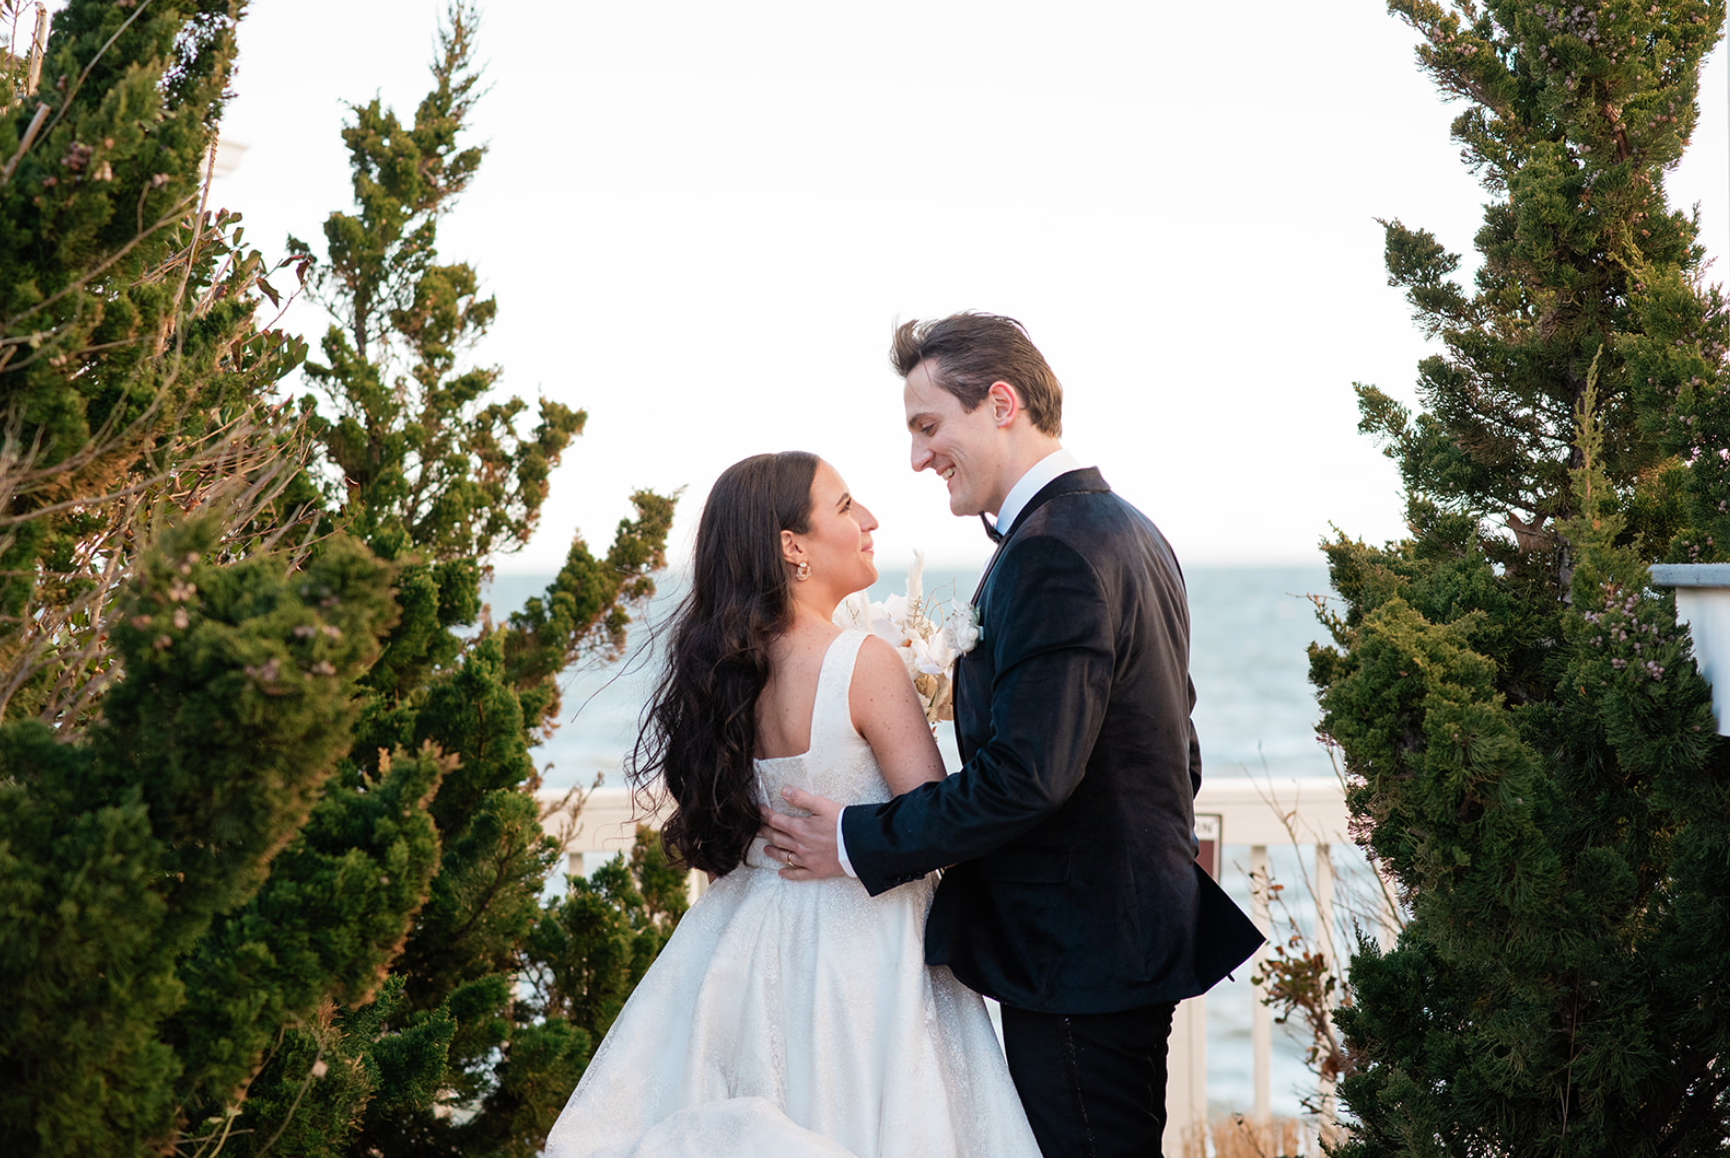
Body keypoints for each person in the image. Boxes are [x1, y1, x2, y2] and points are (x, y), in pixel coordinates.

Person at [761, 314, 1266, 1158]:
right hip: (1119, 938)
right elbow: (1176, 746)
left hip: (1076, 954)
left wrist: (853, 839)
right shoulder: (1127, 530)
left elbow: (1027, 778)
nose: (919, 458)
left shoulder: (1053, 551)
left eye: (929, 427)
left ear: (1001, 403)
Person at [543, 450, 1041, 1158]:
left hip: (748, 944)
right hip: (864, 957)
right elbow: (938, 819)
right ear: (792, 546)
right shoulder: (863, 662)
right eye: (844, 507)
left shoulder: (722, 673)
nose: (868, 519)